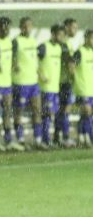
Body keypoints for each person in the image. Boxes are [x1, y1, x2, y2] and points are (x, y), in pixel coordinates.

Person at [11, 17, 46, 150]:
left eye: (29, 26)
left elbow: (34, 60)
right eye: (24, 26)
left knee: (37, 110)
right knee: (18, 112)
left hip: (33, 83)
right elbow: (13, 57)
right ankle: (20, 139)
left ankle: (37, 140)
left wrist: (40, 74)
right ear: (20, 27)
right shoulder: (16, 41)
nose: (27, 29)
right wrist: (15, 65)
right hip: (20, 82)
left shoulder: (33, 41)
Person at [38, 24, 71, 148]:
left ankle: (52, 139)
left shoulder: (59, 48)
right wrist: (41, 74)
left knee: (54, 114)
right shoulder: (43, 47)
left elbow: (68, 59)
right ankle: (44, 140)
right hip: (45, 88)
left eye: (63, 35)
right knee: (46, 114)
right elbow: (33, 61)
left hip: (55, 88)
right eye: (59, 35)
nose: (62, 37)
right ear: (53, 34)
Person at [0, 17, 23, 151]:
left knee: (7, 112)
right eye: (4, 27)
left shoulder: (10, 43)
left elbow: (11, 60)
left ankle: (8, 140)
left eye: (8, 27)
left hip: (7, 84)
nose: (7, 30)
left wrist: (14, 65)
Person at [55, 18, 78, 147]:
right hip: (65, 82)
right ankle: (65, 137)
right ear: (67, 27)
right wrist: (76, 77)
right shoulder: (64, 44)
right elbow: (69, 63)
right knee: (65, 110)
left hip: (60, 82)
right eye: (73, 27)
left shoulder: (66, 43)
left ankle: (57, 137)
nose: (75, 30)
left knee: (61, 111)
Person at [73, 29, 93, 148]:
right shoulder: (79, 52)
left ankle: (82, 136)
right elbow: (71, 65)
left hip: (91, 88)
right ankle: (87, 137)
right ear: (86, 38)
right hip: (82, 88)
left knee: (87, 115)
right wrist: (75, 79)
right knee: (86, 111)